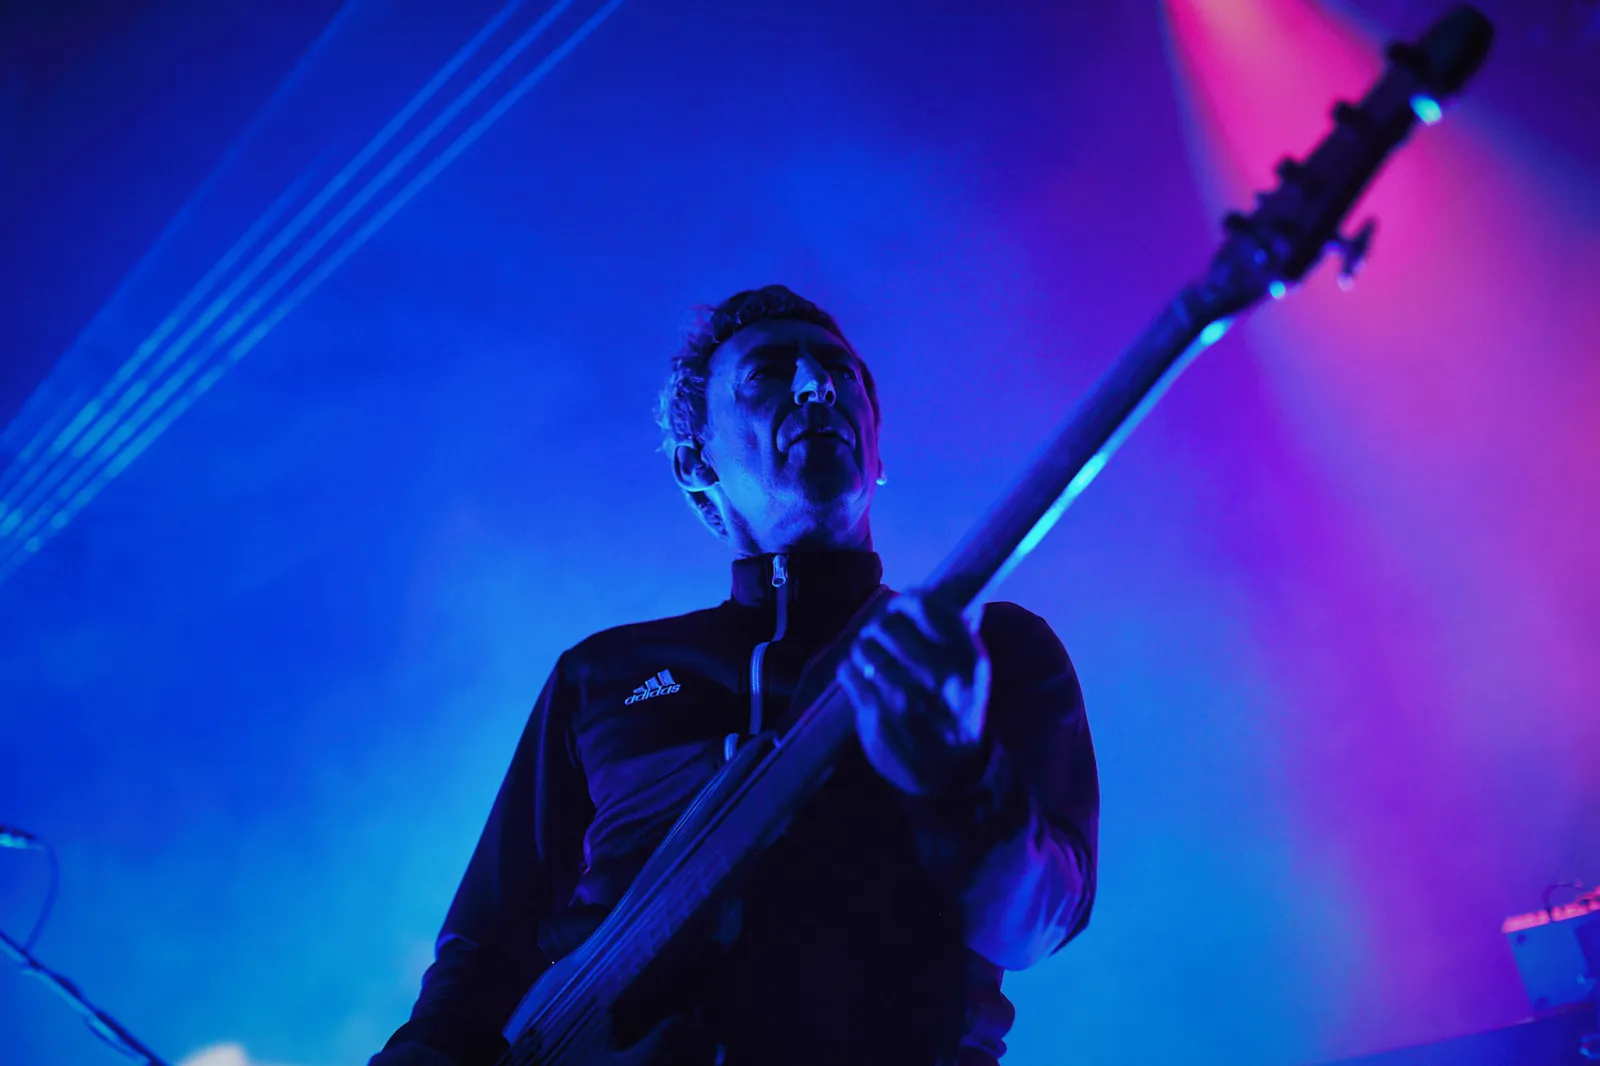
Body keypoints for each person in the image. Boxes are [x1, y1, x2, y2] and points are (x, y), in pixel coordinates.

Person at [371, 285, 1099, 1066]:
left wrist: (961, 775)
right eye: (768, 374)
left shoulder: (987, 649)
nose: (817, 386)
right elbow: (487, 947)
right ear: (697, 463)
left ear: (878, 453)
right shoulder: (600, 675)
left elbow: (1038, 922)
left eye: (839, 372)